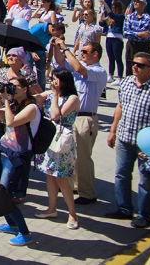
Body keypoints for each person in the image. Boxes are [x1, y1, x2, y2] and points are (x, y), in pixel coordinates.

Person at [107, 52, 150, 227]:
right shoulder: (127, 82)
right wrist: (113, 130)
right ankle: (124, 208)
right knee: (121, 173)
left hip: (147, 144)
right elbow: (120, 106)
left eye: (140, 65)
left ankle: (145, 215)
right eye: (133, 63)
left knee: (145, 179)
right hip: (124, 137)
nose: (135, 66)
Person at [52, 38, 107, 205]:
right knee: (71, 154)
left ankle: (88, 193)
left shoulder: (98, 71)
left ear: (95, 54)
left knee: (83, 158)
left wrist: (66, 48)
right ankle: (75, 185)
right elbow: (61, 61)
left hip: (86, 117)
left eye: (85, 52)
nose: (81, 54)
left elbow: (78, 67)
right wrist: (56, 47)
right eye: (81, 51)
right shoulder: (80, 67)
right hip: (73, 116)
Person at [0, 76, 40, 247]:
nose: (12, 89)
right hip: (3, 150)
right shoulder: (14, 105)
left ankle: (24, 233)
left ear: (25, 89)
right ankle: (11, 224)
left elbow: (10, 121)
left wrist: (6, 102)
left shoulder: (31, 108)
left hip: (17, 156)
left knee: (5, 195)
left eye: (15, 87)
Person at [32, 70, 81, 229]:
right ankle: (51, 208)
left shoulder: (72, 98)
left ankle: (72, 213)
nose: (53, 82)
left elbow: (55, 115)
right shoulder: (50, 94)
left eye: (56, 80)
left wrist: (52, 96)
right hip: (48, 139)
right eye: (52, 79)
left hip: (62, 142)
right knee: (49, 175)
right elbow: (34, 99)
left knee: (62, 178)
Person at [125, 0, 150, 77]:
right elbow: (125, 32)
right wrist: (138, 34)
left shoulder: (147, 18)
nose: (135, 3)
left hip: (143, 45)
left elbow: (146, 34)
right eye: (134, 1)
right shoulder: (129, 17)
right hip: (132, 44)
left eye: (138, 2)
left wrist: (133, 33)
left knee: (143, 66)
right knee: (130, 65)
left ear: (143, 4)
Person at [103, 0, 127, 81]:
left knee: (118, 58)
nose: (113, 8)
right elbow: (101, 24)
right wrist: (102, 18)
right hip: (109, 37)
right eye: (112, 7)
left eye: (114, 7)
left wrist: (106, 5)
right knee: (111, 58)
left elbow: (113, 16)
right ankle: (111, 75)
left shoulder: (121, 16)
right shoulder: (110, 17)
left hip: (117, 38)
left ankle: (120, 77)